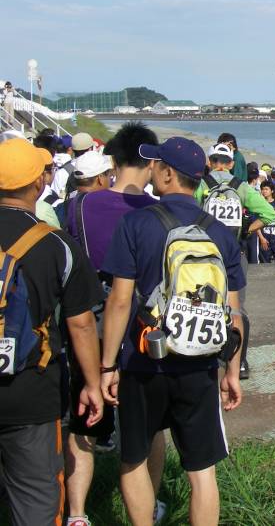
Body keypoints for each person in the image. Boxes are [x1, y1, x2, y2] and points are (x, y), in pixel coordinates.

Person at [100, 137, 244, 526]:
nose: (151, 171)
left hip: (145, 361)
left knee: (133, 459)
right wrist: (231, 371)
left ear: (165, 174)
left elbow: (119, 302)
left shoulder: (135, 223)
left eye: (155, 166)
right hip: (200, 364)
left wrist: (107, 366)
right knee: (202, 472)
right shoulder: (221, 233)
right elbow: (234, 313)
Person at [60, 122, 169, 526]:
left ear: (114, 159)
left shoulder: (79, 206)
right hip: (143, 328)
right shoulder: (160, 211)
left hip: (88, 321)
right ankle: (148, 505)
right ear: (151, 161)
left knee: (84, 419)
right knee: (150, 428)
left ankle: (76, 514)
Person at [0, 138, 103, 526]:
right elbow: (80, 323)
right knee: (37, 498)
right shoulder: (57, 245)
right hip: (32, 387)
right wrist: (91, 383)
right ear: (38, 185)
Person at [196, 143, 275, 380]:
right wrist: (246, 230)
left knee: (202, 301)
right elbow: (269, 214)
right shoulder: (240, 186)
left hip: (205, 253)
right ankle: (240, 362)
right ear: (231, 164)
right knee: (237, 308)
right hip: (233, 252)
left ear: (209, 162)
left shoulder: (201, 185)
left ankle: (202, 351)